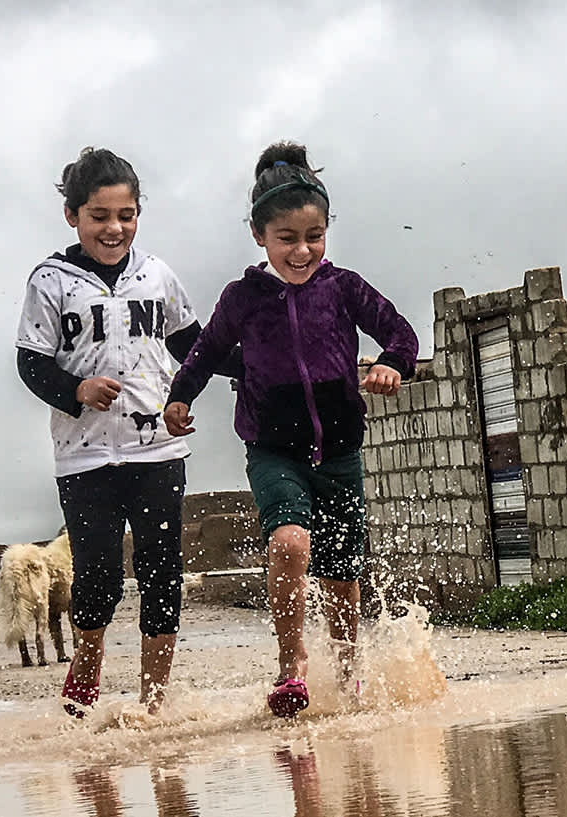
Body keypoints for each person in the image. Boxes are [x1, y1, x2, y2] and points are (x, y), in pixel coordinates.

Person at [164, 141, 419, 718]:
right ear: (259, 235)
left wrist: (389, 366)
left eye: (315, 236)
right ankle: (292, 665)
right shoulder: (243, 298)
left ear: (326, 230)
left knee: (341, 577)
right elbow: (203, 354)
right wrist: (179, 398)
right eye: (287, 239)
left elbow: (401, 334)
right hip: (273, 449)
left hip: (340, 452)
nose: (302, 251)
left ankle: (351, 678)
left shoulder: (344, 288)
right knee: (289, 542)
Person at [16, 147, 238, 717]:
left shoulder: (157, 276)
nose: (114, 228)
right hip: (84, 456)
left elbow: (195, 348)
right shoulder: (51, 281)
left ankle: (153, 699)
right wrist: (77, 391)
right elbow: (31, 363)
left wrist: (245, 372)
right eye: (99, 216)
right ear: (73, 216)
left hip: (157, 448)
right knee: (100, 575)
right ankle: (87, 662)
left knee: (163, 568)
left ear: (138, 214)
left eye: (127, 215)